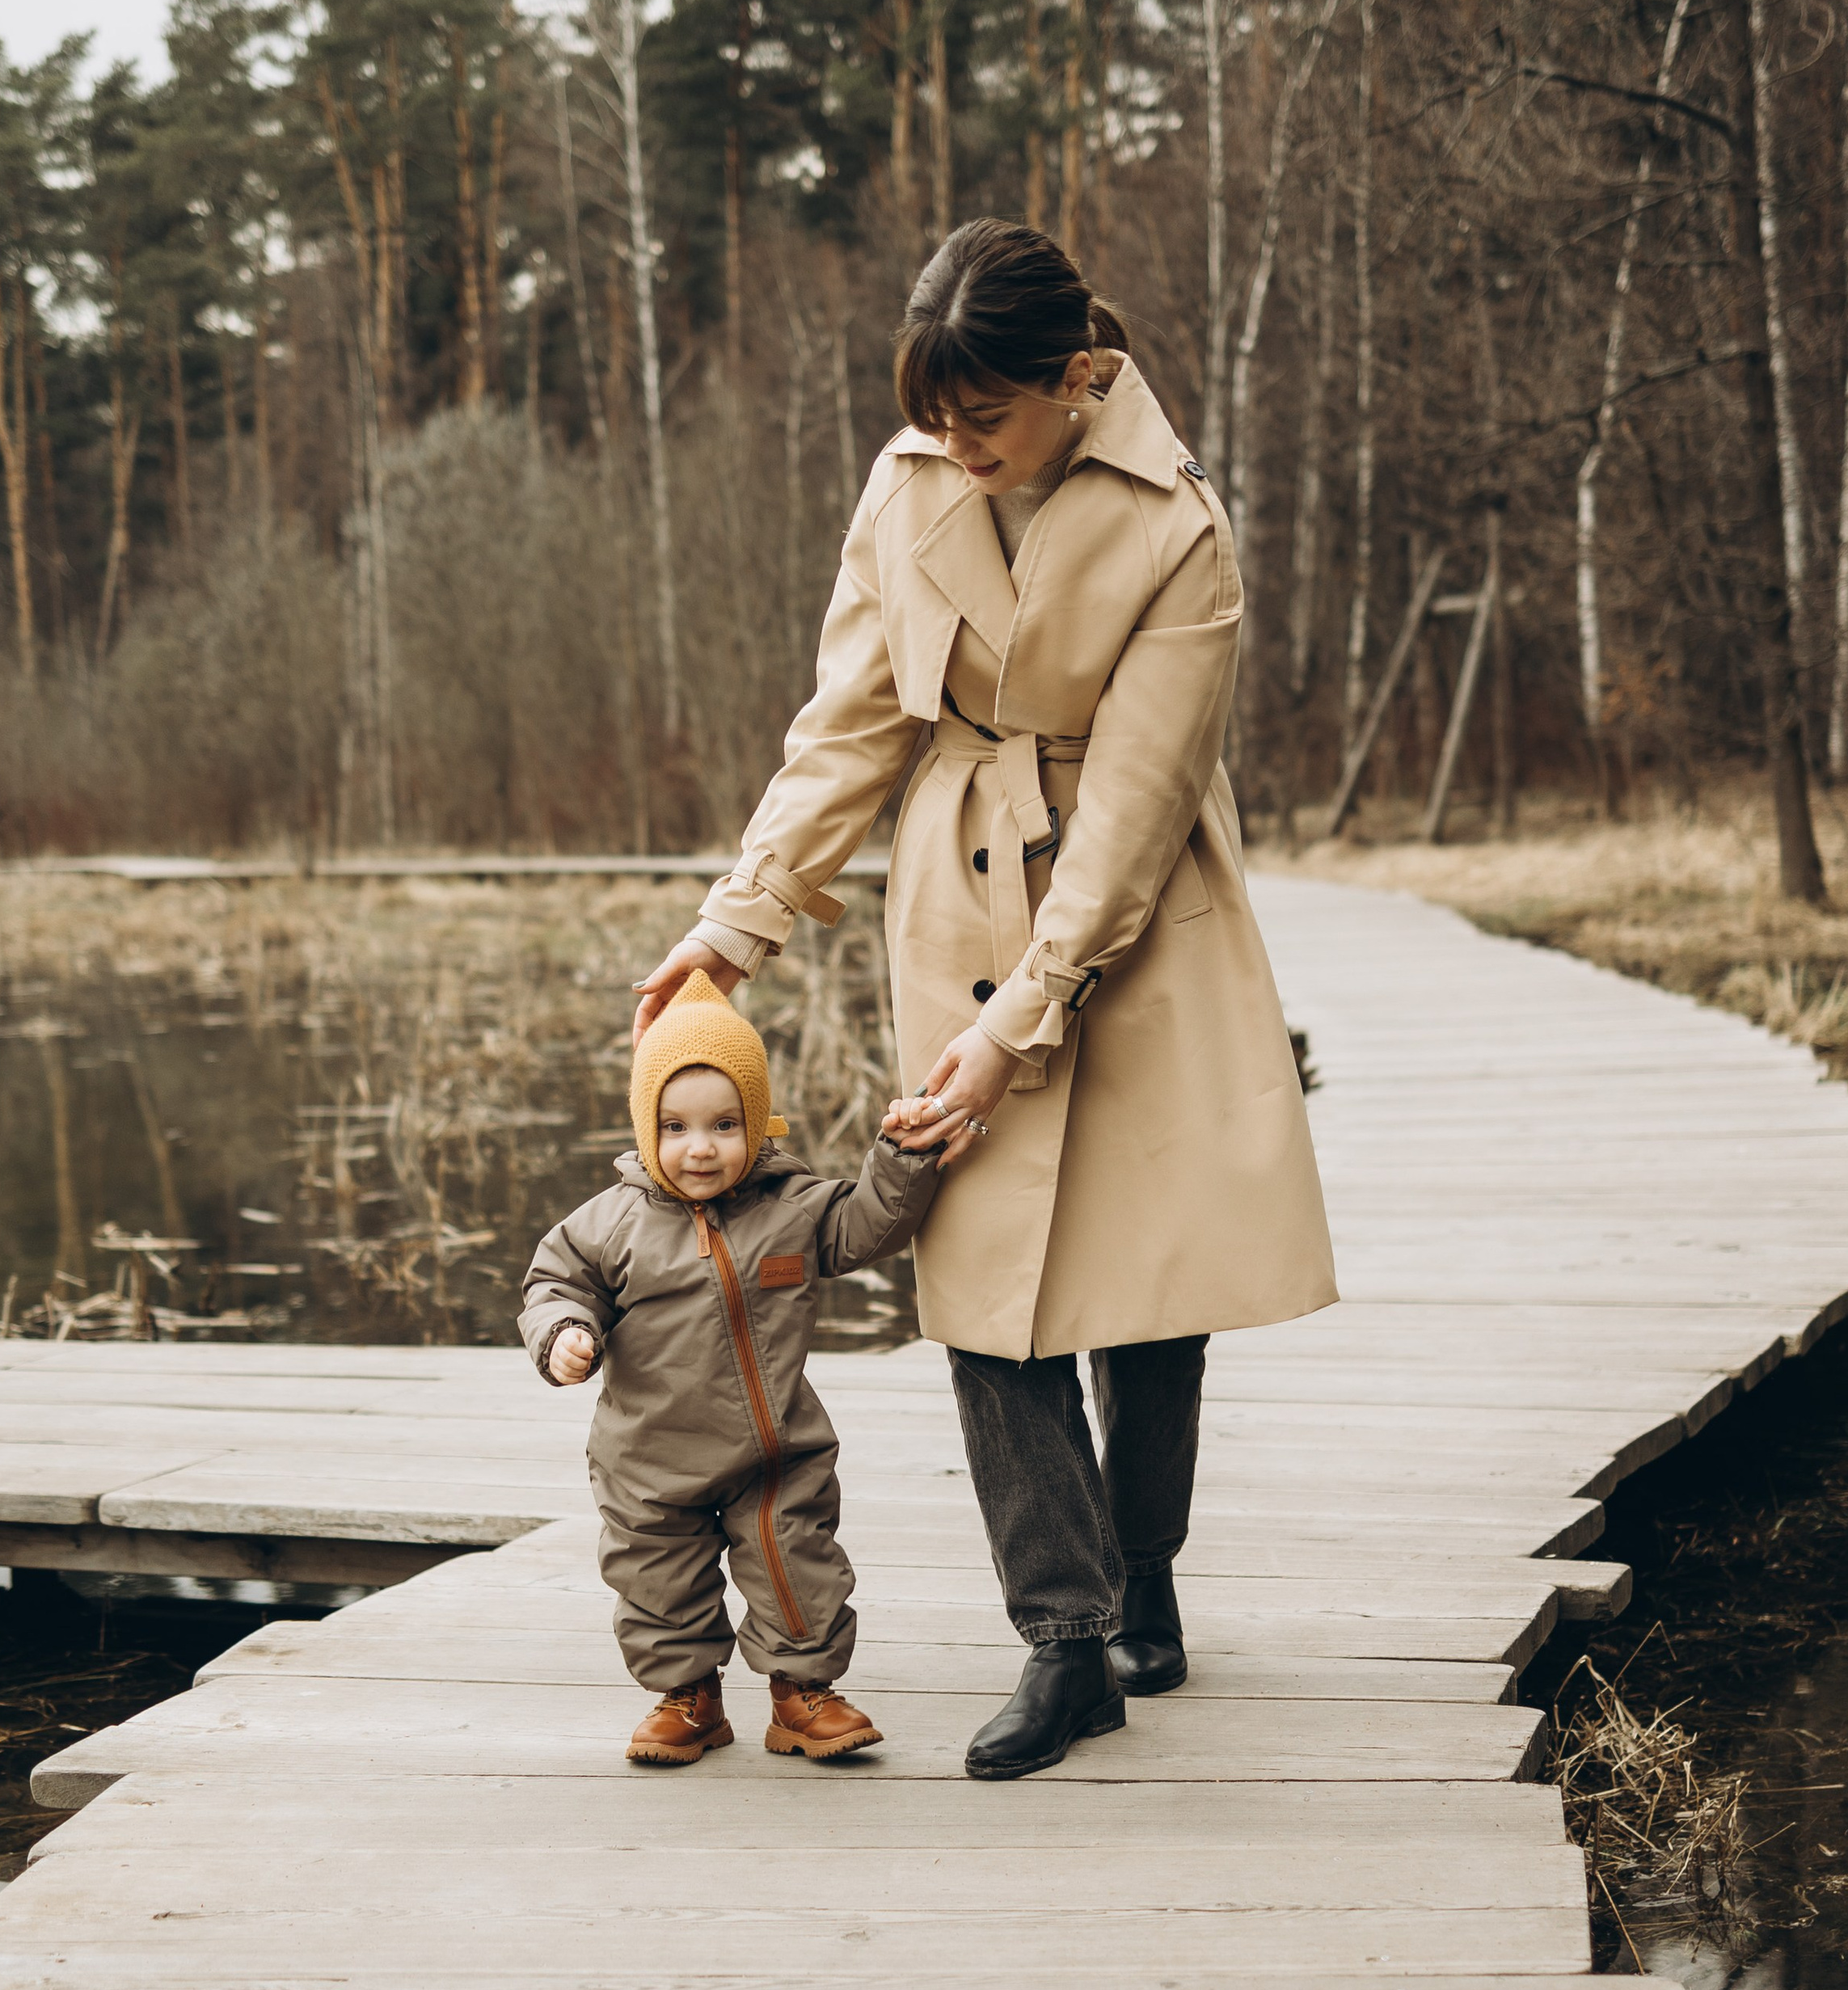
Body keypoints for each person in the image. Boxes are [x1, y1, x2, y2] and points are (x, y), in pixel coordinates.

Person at [633, 219, 1335, 1781]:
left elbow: (1140, 815)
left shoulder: (1182, 531)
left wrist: (1026, 1017)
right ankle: (1065, 1639)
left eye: (986, 417)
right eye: (936, 415)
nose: (957, 446)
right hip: (956, 896)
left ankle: (1144, 1569)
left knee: (1150, 1289)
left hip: (1140, 926)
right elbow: (849, 732)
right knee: (983, 1278)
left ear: (1079, 377)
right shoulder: (908, 489)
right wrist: (734, 930)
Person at [521, 968, 943, 1767]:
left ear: (756, 1122)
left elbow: (867, 1227)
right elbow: (554, 1282)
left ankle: (800, 1693)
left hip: (773, 1451)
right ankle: (688, 1698)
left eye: (722, 1125)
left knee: (798, 1564)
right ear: (647, 1129)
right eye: (675, 1127)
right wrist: (564, 1333)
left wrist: (902, 1155)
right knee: (658, 1578)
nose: (700, 1148)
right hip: (649, 1458)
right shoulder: (610, 1224)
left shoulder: (792, 1207)